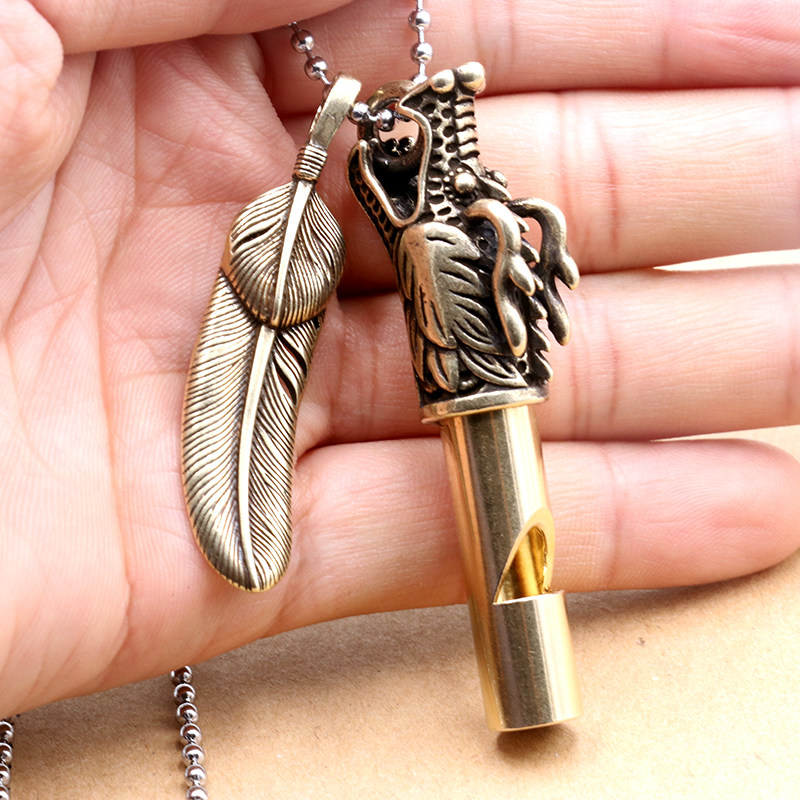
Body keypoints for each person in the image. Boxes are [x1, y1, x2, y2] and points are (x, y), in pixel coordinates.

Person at [1, 0, 798, 720]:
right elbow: (390, 210)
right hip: (460, 367)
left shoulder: (448, 229)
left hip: (479, 371)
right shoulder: (418, 232)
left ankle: (533, 674)